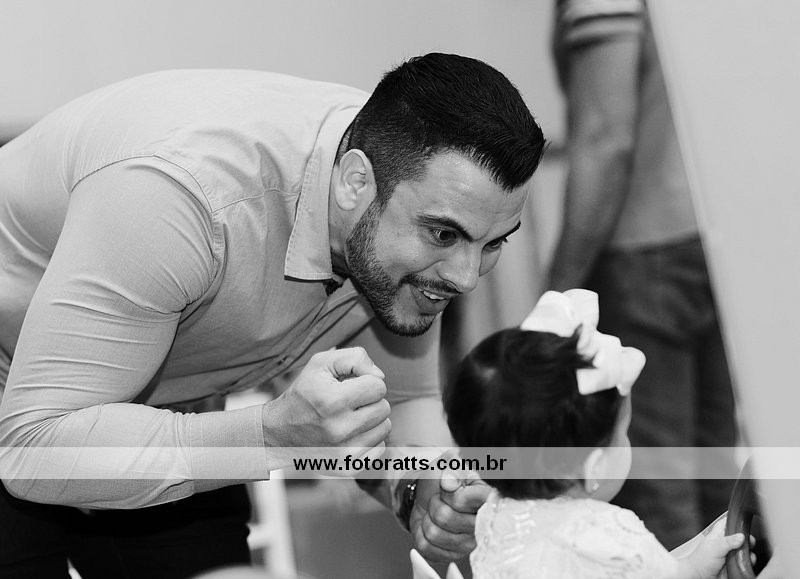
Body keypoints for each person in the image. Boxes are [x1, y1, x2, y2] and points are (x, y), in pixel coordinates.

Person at [0, 53, 546, 577]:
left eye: (493, 242)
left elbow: (399, 401)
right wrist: (271, 437)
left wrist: (418, 487)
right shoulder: (183, 199)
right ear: (355, 183)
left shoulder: (409, 181)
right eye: (444, 235)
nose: (466, 277)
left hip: (164, 402)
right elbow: (32, 448)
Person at [548, 0, 739, 548]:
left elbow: (607, 140)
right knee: (719, 488)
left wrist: (558, 292)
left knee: (659, 499)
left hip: (642, 249)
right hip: (715, 236)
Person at [442, 289, 745, 578]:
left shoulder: (495, 515)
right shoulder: (610, 537)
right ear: (594, 467)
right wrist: (694, 569)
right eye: (623, 435)